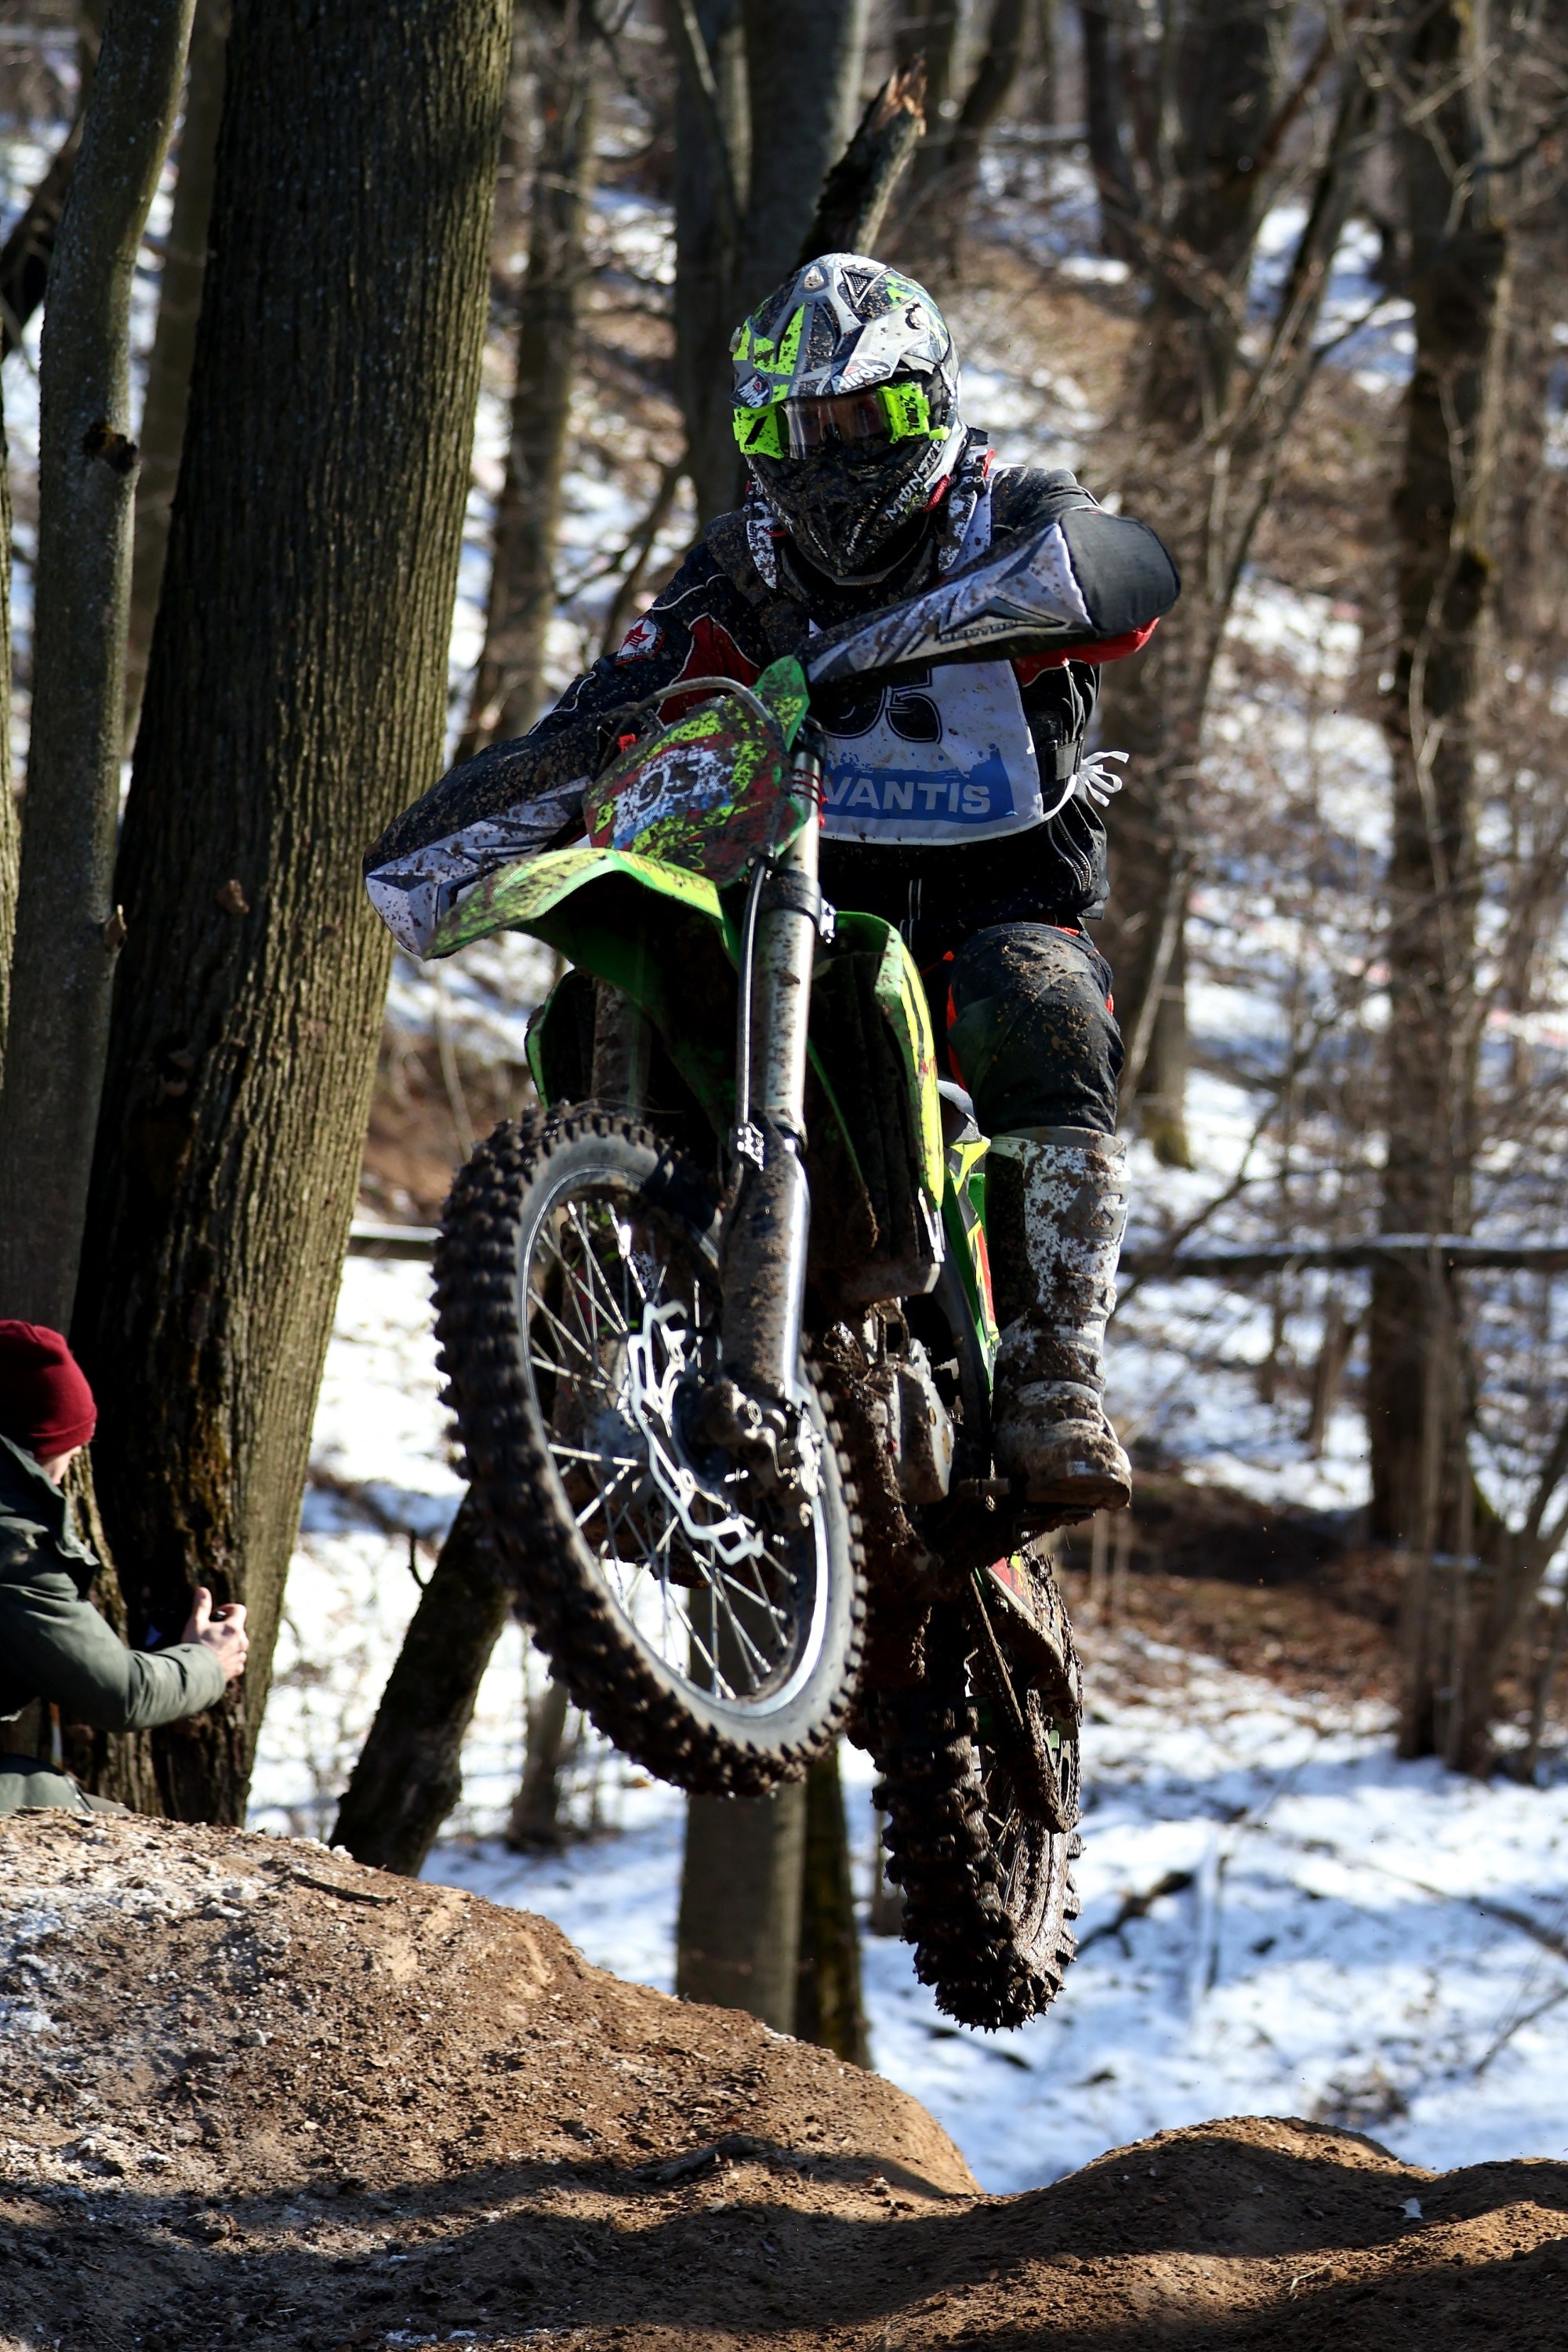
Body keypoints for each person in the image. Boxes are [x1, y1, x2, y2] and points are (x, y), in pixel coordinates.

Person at [364, 254, 1180, 1521]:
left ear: (930, 406)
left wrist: (877, 647)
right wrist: (460, 835)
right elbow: (611, 713)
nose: (836, 456)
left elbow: (1124, 575)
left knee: (1046, 994)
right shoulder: (740, 569)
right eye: (797, 430)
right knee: (607, 997)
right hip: (799, 917)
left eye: (865, 419)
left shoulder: (1008, 514)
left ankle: (1056, 1367)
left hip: (990, 914)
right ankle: (619, 1361)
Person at [0, 1321, 248, 1815]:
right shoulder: (11, 1539)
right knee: (60, 1808)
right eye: (71, 1453)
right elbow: (122, 1695)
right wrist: (206, 1662)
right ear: (43, 1449)